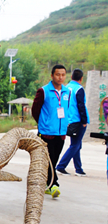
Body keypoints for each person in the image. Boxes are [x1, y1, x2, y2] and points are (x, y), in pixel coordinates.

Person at [31, 64, 73, 197]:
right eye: (57, 74)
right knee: (48, 160)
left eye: (63, 75)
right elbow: (35, 110)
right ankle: (54, 184)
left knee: (53, 160)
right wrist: (44, 124)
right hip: (46, 133)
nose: (60, 77)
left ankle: (46, 183)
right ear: (52, 75)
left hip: (61, 133)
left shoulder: (67, 92)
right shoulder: (43, 91)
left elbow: (66, 110)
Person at [57, 68, 89, 176]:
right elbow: (81, 106)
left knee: (76, 145)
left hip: (68, 120)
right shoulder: (79, 89)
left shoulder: (65, 88)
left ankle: (78, 169)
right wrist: (84, 121)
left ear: (71, 77)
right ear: (81, 78)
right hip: (77, 120)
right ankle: (61, 166)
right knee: (75, 145)